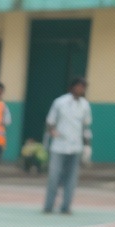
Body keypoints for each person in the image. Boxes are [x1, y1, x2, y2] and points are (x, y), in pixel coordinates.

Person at [44, 78, 92, 214]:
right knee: (54, 176)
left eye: (83, 88)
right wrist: (52, 131)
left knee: (71, 179)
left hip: (75, 146)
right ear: (72, 87)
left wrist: (87, 146)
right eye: (78, 87)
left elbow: (86, 127)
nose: (80, 90)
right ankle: (48, 205)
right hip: (59, 146)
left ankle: (66, 206)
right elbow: (50, 121)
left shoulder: (85, 105)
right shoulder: (60, 102)